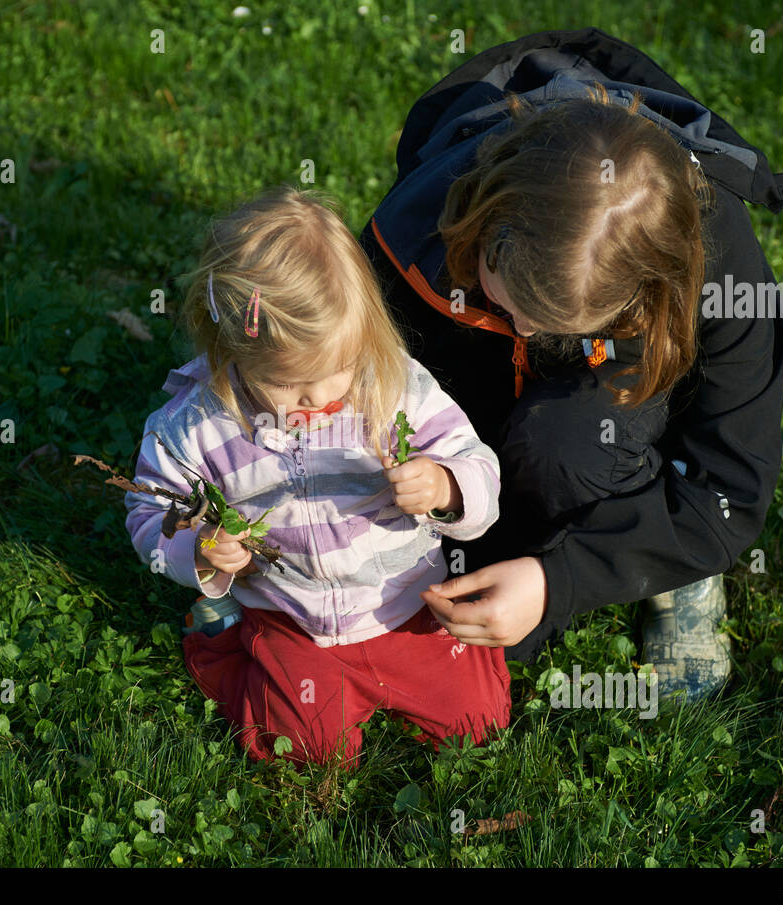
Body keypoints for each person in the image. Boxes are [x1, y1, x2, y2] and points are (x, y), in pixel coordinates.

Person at [358, 28, 783, 701]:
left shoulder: (724, 271)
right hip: (468, 401)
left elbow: (727, 489)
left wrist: (554, 581)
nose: (527, 328)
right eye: (509, 299)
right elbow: (345, 388)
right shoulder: (411, 232)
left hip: (606, 421)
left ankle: (672, 571)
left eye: (553, 322)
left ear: (649, 290)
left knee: (566, 446)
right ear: (483, 221)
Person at [125, 185, 509, 766]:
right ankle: (228, 646)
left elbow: (479, 466)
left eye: (335, 373)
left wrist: (445, 486)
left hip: (407, 606)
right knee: (300, 752)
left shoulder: (393, 388)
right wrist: (199, 549)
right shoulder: (198, 425)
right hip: (291, 616)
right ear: (231, 349)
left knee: (476, 724)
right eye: (286, 385)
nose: (315, 399)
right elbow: (150, 511)